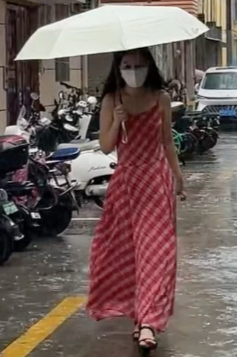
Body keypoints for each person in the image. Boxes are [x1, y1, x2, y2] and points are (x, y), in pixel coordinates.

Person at [86, 47, 185, 352]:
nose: (133, 71)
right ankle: (139, 315)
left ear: (149, 67)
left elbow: (166, 142)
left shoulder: (161, 98)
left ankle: (149, 323)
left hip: (156, 181)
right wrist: (117, 121)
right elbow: (106, 146)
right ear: (118, 69)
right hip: (126, 185)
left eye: (139, 65)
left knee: (158, 253)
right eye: (127, 65)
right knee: (127, 254)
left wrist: (178, 176)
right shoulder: (111, 100)